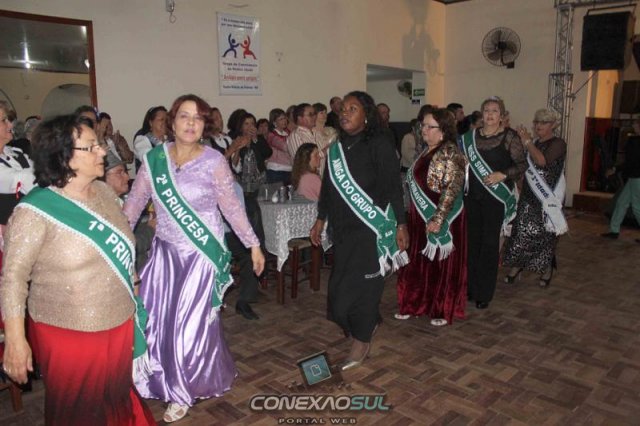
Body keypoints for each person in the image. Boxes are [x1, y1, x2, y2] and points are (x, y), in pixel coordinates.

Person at [0, 114, 155, 425]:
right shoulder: (34, 211)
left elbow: (124, 251)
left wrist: (135, 294)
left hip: (118, 322)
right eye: (91, 147)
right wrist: (16, 340)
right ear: (64, 156)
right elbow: (13, 279)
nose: (102, 151)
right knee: (80, 411)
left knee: (116, 399)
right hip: (69, 332)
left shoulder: (106, 194)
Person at [123, 94, 265, 422]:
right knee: (161, 323)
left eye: (197, 118)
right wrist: (116, 239)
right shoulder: (154, 159)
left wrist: (253, 244)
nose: (190, 123)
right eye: (184, 116)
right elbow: (134, 203)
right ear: (171, 123)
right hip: (165, 256)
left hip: (202, 256)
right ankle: (167, 376)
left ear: (204, 125)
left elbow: (231, 207)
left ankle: (180, 390)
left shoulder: (214, 161)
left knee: (189, 325)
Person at [310, 91, 409, 371]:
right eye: (343, 109)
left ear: (367, 115)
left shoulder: (379, 144)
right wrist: (320, 219)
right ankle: (367, 322)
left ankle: (362, 339)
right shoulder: (337, 149)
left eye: (353, 109)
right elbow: (328, 188)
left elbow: (393, 187)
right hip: (343, 231)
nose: (345, 113)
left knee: (365, 289)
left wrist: (401, 224)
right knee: (338, 297)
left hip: (371, 231)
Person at [395, 108, 467, 326]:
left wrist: (438, 218)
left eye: (429, 126)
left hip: (442, 218)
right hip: (419, 216)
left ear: (443, 130)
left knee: (440, 264)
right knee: (419, 261)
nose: (423, 129)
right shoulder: (426, 150)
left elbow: (451, 189)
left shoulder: (450, 152)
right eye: (422, 125)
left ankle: (441, 308)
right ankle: (415, 303)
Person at [461, 96, 526, 310]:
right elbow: (459, 165)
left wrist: (503, 174)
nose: (490, 114)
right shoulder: (469, 137)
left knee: (489, 245)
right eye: (486, 110)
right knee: (472, 244)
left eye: (495, 111)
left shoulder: (509, 137)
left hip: (495, 199)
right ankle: (470, 288)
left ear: (502, 115)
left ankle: (484, 293)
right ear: (481, 114)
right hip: (472, 197)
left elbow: (521, 165)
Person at [503, 109, 568, 288]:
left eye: (544, 122)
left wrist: (527, 142)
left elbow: (542, 161)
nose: (539, 125)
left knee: (545, 234)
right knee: (521, 230)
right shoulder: (535, 143)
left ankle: (547, 268)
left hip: (547, 195)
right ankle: (517, 266)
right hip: (529, 194)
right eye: (537, 122)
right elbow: (525, 166)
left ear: (553, 125)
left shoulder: (558, 143)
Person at [601, 119, 640, 242]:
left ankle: (614, 230)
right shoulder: (635, 140)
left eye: (635, 124)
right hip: (634, 177)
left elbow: (631, 162)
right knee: (622, 202)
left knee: (636, 206)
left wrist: (615, 169)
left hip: (637, 177)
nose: (633, 125)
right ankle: (614, 230)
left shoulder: (635, 141)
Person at [0, 101, 35, 231]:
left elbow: (41, 170)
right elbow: (28, 180)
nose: (10, 124)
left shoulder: (16, 153)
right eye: (3, 120)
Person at [265, 108, 292, 184]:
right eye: (281, 119)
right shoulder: (271, 135)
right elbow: (284, 147)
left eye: (285, 118)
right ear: (274, 122)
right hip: (276, 170)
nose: (284, 121)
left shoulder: (288, 133)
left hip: (289, 169)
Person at [313, 102, 337, 176]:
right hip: (320, 166)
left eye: (325, 112)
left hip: (334, 164)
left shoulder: (331, 130)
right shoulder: (312, 132)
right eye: (321, 113)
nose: (325, 115)